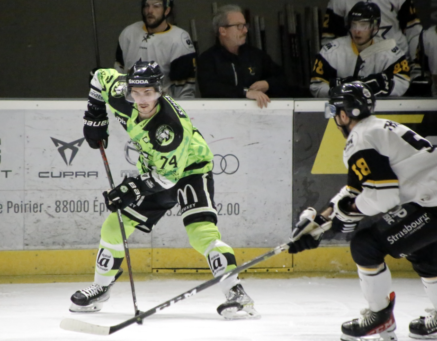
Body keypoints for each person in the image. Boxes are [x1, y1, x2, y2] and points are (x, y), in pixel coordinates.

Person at [289, 81, 437, 341]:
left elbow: (383, 197)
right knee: (427, 257)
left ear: (344, 114)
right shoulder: (376, 127)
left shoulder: (361, 140)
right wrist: (322, 221)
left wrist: (345, 215)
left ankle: (380, 319)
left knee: (366, 245)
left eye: (334, 111)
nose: (334, 117)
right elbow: (355, 189)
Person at [68, 60, 259, 320]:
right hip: (155, 171)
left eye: (148, 93)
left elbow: (169, 179)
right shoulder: (121, 94)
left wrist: (130, 189)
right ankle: (101, 289)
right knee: (113, 227)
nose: (142, 100)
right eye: (136, 93)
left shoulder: (168, 129)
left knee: (201, 234)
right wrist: (94, 115)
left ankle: (237, 294)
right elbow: (99, 77)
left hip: (190, 171)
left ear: (160, 91)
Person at [310, 1, 410, 98]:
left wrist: (386, 86)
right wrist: (337, 91)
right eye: (354, 24)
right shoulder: (330, 52)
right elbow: (316, 87)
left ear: (375, 27)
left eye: (363, 25)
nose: (357, 31)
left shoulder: (392, 53)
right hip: (342, 111)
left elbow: (403, 82)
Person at [197, 4, 288, 108]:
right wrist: (245, 92)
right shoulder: (208, 59)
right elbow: (210, 89)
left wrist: (267, 84)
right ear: (223, 31)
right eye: (239, 26)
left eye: (245, 25)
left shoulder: (255, 55)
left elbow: (283, 78)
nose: (245, 30)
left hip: (257, 118)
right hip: (222, 119)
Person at [114, 0, 196, 99]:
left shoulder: (179, 39)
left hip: (163, 108)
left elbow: (185, 91)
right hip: (130, 106)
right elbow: (118, 74)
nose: (150, 11)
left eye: (156, 6)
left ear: (167, 10)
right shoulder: (128, 33)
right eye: (146, 6)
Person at [321, 0, 422, 61]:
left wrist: (415, 62)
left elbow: (414, 32)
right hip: (354, 62)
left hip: (394, 60)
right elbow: (329, 37)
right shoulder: (338, 1)